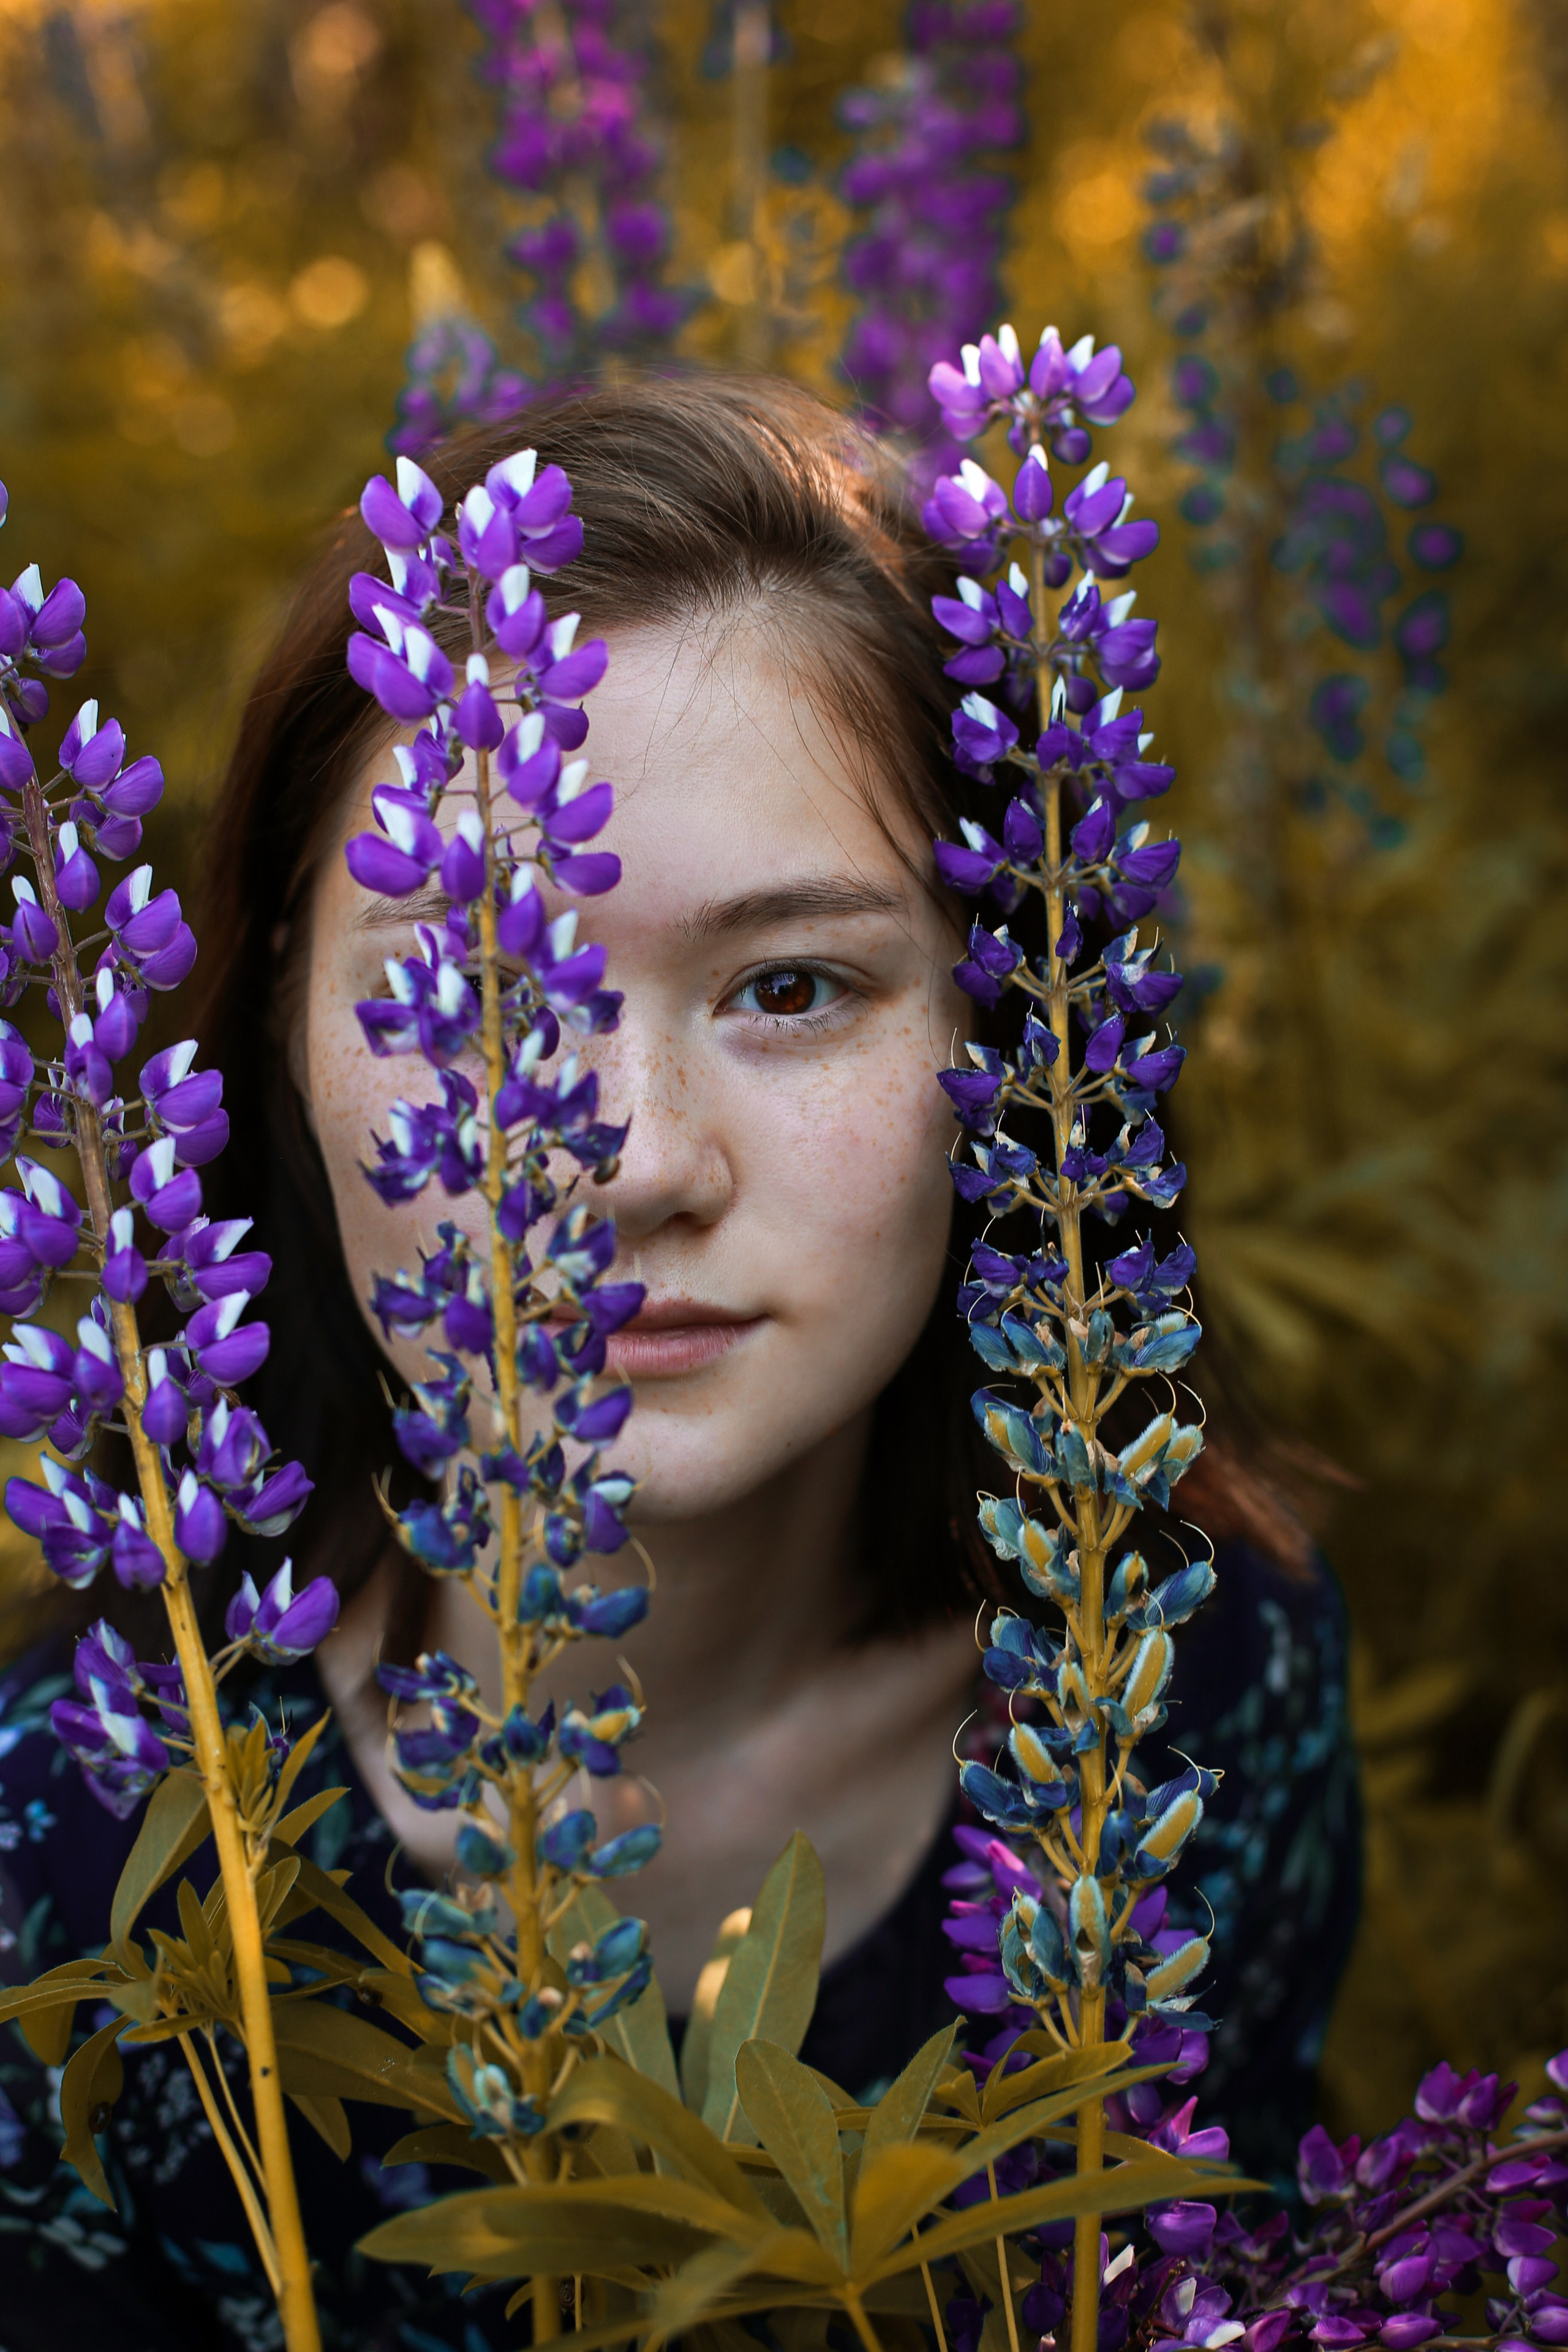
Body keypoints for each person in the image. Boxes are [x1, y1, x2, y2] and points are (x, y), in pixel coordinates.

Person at [0, 374, 1359, 2348]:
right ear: (270, 1046)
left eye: (792, 986)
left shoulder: (1197, 1686)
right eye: (472, 988)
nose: (628, 1161)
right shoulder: (63, 1842)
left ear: (1020, 1041)